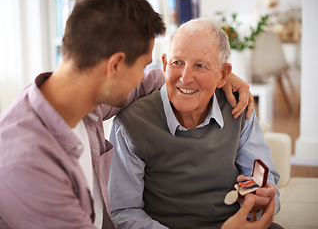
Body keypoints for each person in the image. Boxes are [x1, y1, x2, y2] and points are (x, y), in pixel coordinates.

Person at [0, 0, 257, 228]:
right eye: (143, 65)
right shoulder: (30, 164)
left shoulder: (81, 101)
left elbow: (154, 81)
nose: (142, 77)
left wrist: (216, 79)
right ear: (115, 66)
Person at [108, 18, 282, 229]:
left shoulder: (238, 108)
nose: (185, 77)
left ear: (224, 75)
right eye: (177, 62)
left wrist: (263, 197)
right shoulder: (130, 124)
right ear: (164, 64)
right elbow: (124, 213)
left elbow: (264, 178)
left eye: (200, 65)